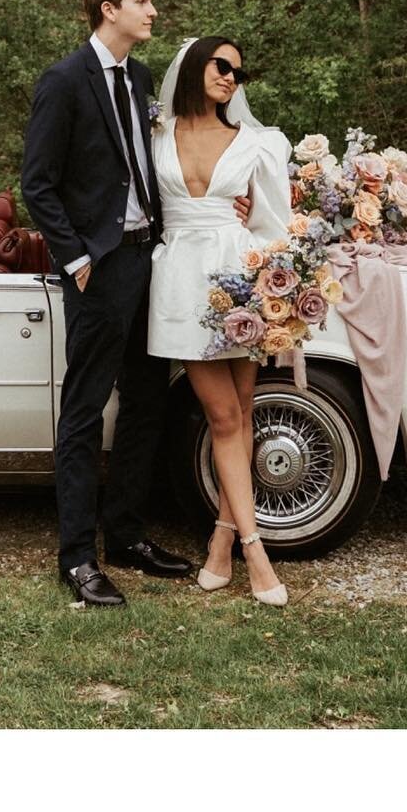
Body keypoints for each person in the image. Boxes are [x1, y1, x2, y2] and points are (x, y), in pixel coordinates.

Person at [21, 0, 197, 607]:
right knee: (85, 411)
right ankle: (75, 559)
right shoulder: (64, 82)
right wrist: (75, 258)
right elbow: (37, 183)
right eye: (143, 1)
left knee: (148, 400)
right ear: (109, 10)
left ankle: (126, 536)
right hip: (98, 268)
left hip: (146, 259)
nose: (152, 11)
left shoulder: (141, 75)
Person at [149, 36, 293, 607]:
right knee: (222, 413)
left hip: (239, 285)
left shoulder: (255, 143)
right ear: (192, 65)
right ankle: (254, 550)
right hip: (181, 285)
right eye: (222, 64)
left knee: (241, 413)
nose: (232, 76)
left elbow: (272, 223)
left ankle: (224, 539)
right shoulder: (154, 135)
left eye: (239, 70)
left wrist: (267, 280)